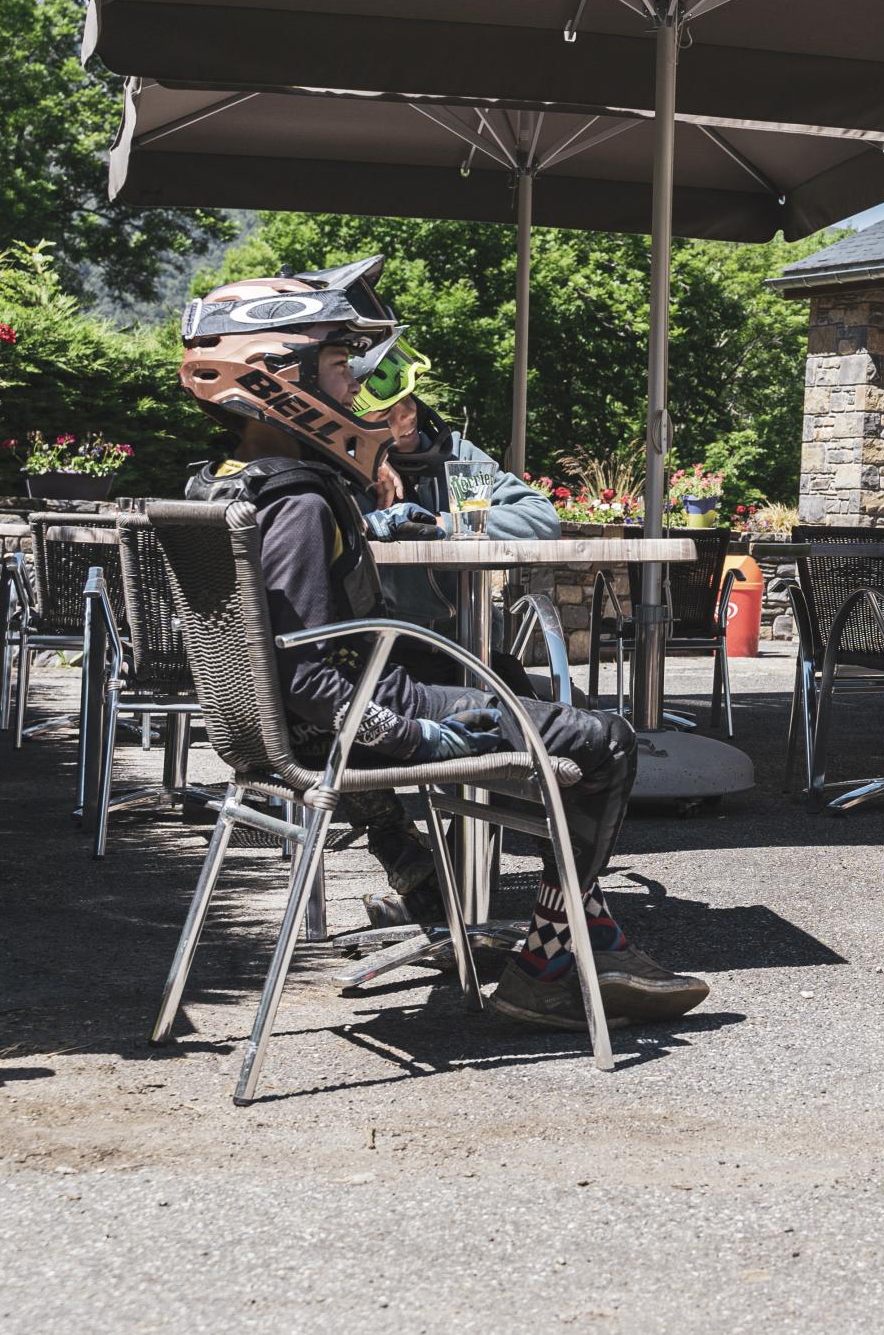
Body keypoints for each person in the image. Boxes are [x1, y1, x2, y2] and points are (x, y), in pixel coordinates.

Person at [178, 257, 706, 1034]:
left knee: (500, 677)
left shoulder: (238, 481)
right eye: (336, 361)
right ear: (275, 376)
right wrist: (415, 730)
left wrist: (370, 526)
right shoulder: (296, 500)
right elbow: (303, 669)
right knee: (607, 742)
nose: (355, 384)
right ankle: (554, 963)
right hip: (359, 721)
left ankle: (483, 915)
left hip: (309, 728)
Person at [346, 340, 560, 692]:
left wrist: (445, 525)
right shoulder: (341, 469)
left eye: (408, 400)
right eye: (387, 414)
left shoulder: (456, 455)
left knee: (567, 702)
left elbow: (542, 518)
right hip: (386, 658)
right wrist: (361, 460)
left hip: (470, 648)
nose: (407, 416)